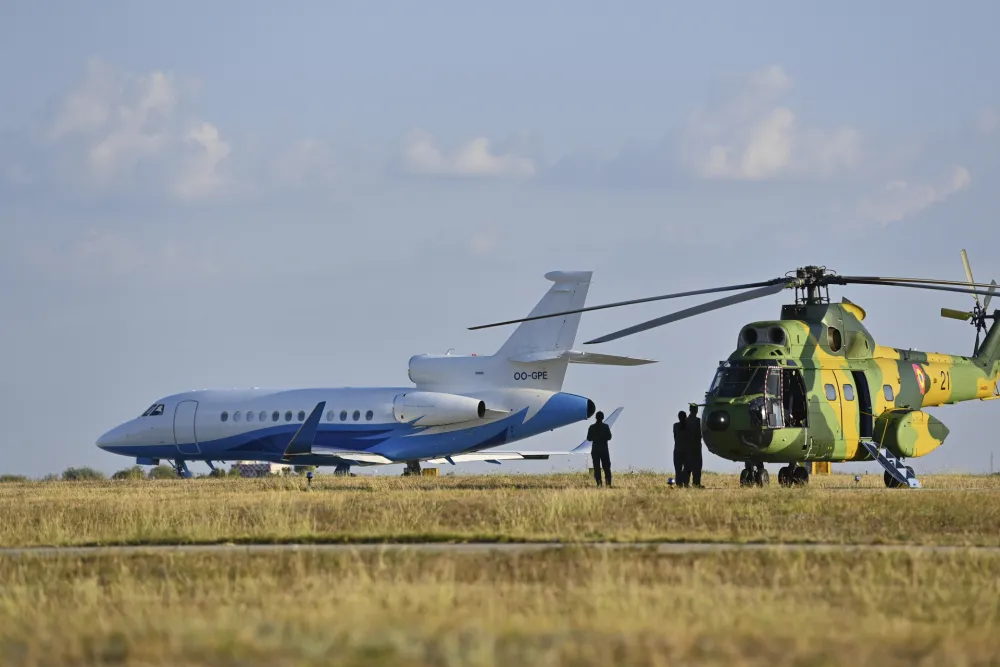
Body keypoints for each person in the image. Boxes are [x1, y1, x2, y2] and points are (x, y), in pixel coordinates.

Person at [587, 411, 613, 487]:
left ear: (596, 418)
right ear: (602, 418)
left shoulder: (592, 427)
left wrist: (595, 437)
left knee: (596, 468)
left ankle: (599, 484)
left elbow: (589, 438)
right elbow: (609, 437)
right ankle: (608, 484)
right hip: (604, 449)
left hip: (595, 450)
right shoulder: (605, 427)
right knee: (606, 467)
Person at [686, 404, 703, 488]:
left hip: (687, 447)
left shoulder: (685, 421)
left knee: (687, 465)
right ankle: (696, 483)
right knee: (697, 466)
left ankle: (686, 483)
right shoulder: (699, 421)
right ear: (696, 410)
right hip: (696, 447)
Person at [672, 410, 689, 487]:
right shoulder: (688, 427)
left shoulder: (675, 426)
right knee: (686, 468)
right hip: (686, 451)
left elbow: (675, 437)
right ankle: (686, 483)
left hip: (677, 450)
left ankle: (679, 483)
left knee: (678, 469)